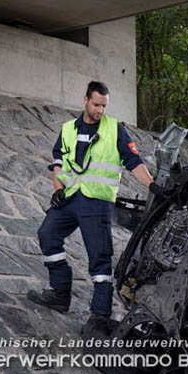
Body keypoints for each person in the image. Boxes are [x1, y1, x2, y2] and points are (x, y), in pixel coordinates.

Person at [27, 81, 167, 330]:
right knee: (47, 234)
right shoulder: (68, 129)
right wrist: (58, 191)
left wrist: (152, 185)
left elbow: (133, 162)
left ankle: (100, 314)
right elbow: (58, 164)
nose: (100, 110)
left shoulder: (115, 130)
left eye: (104, 105)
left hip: (97, 202)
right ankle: (60, 293)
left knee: (99, 257)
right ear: (85, 100)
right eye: (96, 104)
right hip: (69, 198)